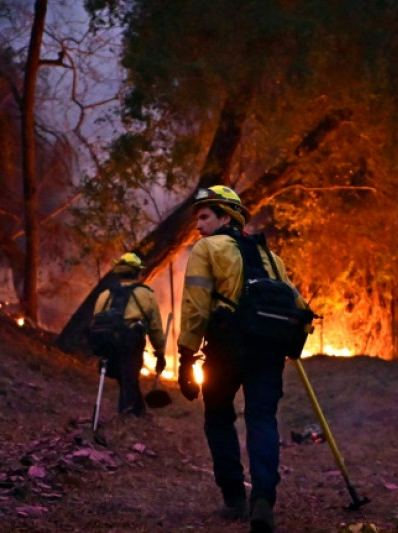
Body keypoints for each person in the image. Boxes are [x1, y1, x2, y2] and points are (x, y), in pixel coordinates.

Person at [176, 185, 308, 533]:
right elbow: (298, 306)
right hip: (269, 349)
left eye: (205, 216)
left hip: (226, 347)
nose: (199, 225)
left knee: (219, 416)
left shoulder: (207, 248)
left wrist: (186, 355)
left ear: (226, 217)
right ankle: (263, 499)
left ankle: (234, 498)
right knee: (262, 419)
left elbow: (195, 305)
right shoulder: (271, 257)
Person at [92, 252, 166, 416]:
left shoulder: (104, 295)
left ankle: (137, 413)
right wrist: (160, 353)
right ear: (138, 273)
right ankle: (128, 414)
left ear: (118, 272)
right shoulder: (145, 294)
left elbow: (96, 321)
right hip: (131, 343)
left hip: (107, 343)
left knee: (127, 379)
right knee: (129, 378)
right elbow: (155, 328)